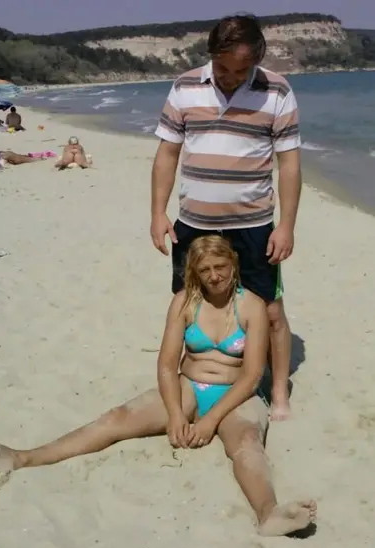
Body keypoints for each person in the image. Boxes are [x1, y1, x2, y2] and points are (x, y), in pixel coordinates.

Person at [0, 235, 316, 537]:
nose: (214, 276)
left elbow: (252, 375)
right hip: (188, 386)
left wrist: (211, 420)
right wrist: (176, 415)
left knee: (246, 444)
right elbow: (167, 364)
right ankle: (22, 458)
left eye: (220, 267)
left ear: (233, 264)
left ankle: (268, 513)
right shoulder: (185, 302)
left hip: (236, 395)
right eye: (206, 269)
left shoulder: (252, 306)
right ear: (195, 272)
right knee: (117, 418)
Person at [150, 14, 302, 421]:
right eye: (224, 68)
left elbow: (289, 163)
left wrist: (286, 225)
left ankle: (279, 390)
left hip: (254, 225)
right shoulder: (185, 87)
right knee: (189, 304)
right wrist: (157, 213)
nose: (232, 78)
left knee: (270, 310)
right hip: (194, 224)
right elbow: (167, 153)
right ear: (211, 54)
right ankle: (195, 379)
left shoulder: (277, 90)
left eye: (242, 70)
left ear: (257, 59)